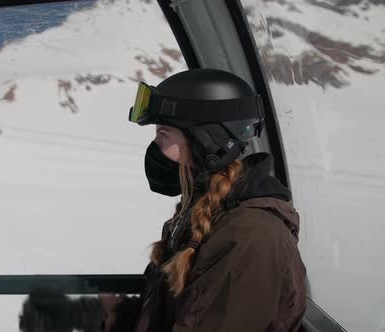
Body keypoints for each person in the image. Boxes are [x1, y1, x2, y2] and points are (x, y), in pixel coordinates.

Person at [19, 69, 307, 332]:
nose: (155, 147)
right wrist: (91, 316)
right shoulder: (205, 213)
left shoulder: (250, 237)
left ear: (207, 142)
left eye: (163, 134)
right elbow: (167, 313)